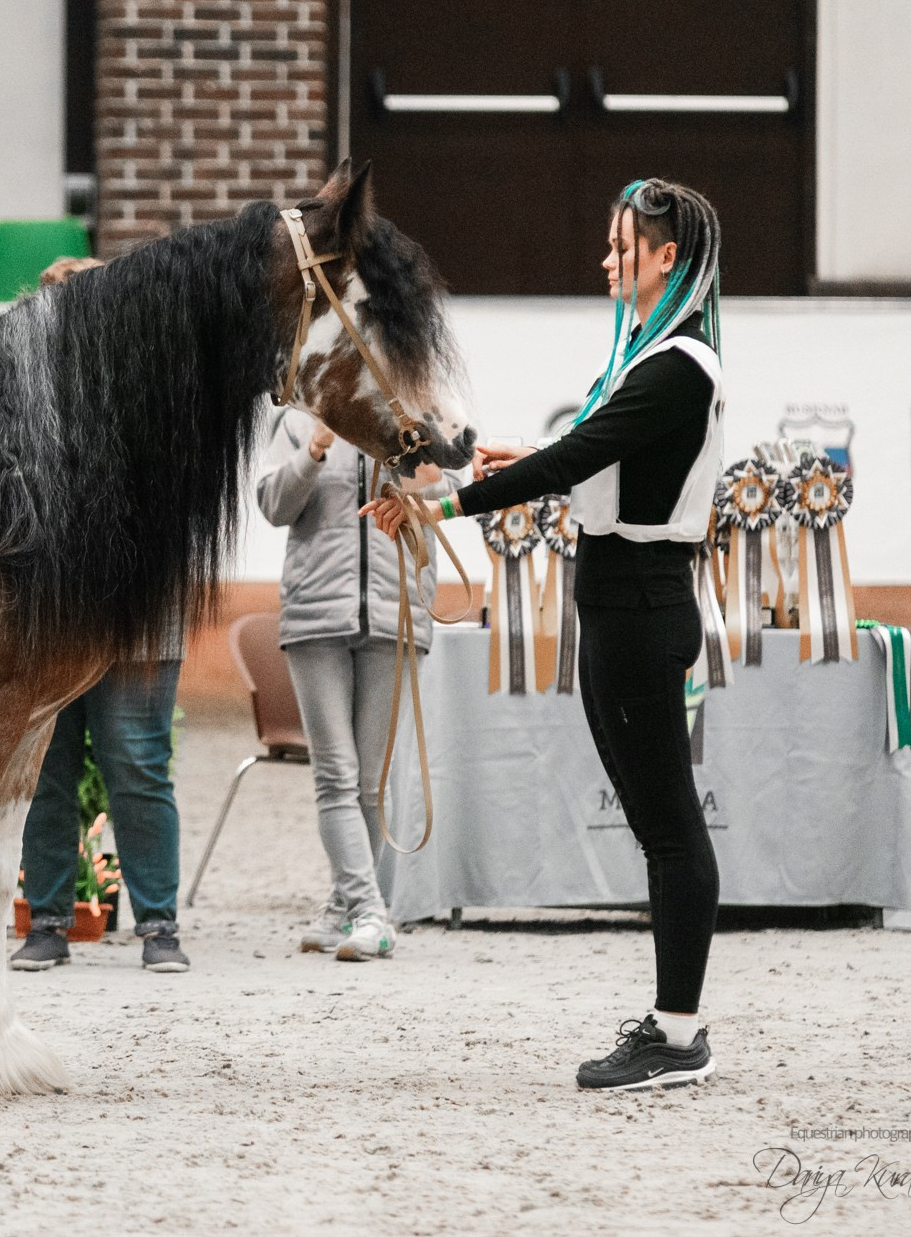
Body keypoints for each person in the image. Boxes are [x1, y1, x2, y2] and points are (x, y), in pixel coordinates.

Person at [369, 178, 725, 1090]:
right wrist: (510, 460)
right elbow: (595, 455)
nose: (608, 261)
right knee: (659, 826)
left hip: (644, 606)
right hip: (613, 603)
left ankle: (678, 1035)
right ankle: (672, 1023)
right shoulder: (650, 356)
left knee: (671, 826)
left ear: (666, 258)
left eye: (621, 248)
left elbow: (582, 455)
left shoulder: (681, 364)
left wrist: (448, 499)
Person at [8, 253, 190, 976]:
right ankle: (47, 919)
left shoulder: (159, 403)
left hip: (140, 620)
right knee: (46, 768)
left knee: (138, 767)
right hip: (52, 620)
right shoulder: (25, 407)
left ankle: (159, 924)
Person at [256, 407, 460, 962]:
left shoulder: (418, 409)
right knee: (336, 775)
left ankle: (344, 907)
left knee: (371, 781)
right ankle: (371, 912)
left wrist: (423, 445)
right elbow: (274, 505)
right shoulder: (296, 420)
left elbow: (453, 490)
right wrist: (316, 446)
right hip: (316, 617)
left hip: (397, 616)